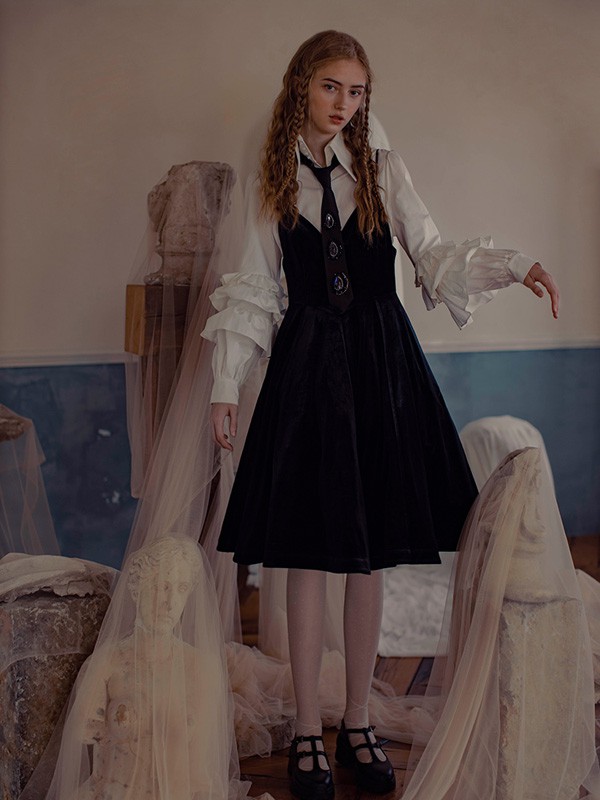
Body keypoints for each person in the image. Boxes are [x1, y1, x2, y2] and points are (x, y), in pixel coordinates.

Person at [202, 29, 559, 800]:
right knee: (304, 556)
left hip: (376, 368)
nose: (344, 103)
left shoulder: (380, 167)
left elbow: (432, 253)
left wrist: (514, 264)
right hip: (305, 373)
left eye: (357, 91)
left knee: (367, 560)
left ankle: (358, 720)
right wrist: (225, 384)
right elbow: (253, 287)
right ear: (302, 85)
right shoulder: (272, 178)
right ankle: (308, 728)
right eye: (331, 86)